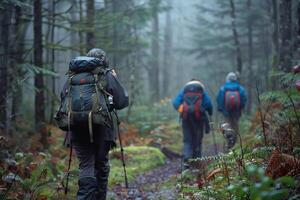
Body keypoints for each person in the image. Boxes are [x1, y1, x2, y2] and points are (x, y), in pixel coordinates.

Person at [57, 48, 128, 199]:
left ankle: (84, 197)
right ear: (103, 60)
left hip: (76, 128)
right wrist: (114, 79)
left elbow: (63, 98)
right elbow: (122, 101)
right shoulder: (106, 74)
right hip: (102, 129)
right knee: (101, 165)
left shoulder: (73, 76)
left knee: (86, 165)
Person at [172, 79, 213, 169]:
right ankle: (197, 161)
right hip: (199, 119)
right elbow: (209, 103)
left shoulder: (184, 90)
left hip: (186, 119)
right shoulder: (201, 90)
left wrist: (182, 110)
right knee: (198, 140)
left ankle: (187, 158)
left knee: (187, 140)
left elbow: (175, 102)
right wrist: (209, 112)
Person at [216, 72, 247, 147]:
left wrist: (221, 109)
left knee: (227, 125)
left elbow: (219, 99)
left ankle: (228, 141)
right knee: (235, 125)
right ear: (235, 79)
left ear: (227, 79)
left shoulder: (223, 88)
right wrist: (240, 108)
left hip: (226, 111)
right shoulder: (240, 88)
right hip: (236, 111)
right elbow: (244, 99)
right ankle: (234, 142)